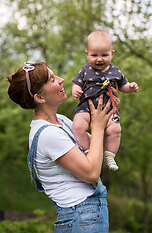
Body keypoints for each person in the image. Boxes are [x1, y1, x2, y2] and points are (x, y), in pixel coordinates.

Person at [6, 61, 120, 233]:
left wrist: (108, 112)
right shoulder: (48, 135)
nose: (61, 80)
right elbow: (91, 172)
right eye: (52, 79)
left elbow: (99, 150)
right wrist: (96, 127)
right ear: (40, 97)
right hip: (80, 217)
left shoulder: (63, 121)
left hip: (88, 215)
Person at [72, 30, 139, 171]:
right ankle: (87, 150)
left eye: (104, 55)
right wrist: (75, 90)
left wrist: (130, 87)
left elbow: (122, 86)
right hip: (86, 106)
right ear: (87, 54)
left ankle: (109, 155)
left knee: (115, 129)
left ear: (112, 54)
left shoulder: (115, 71)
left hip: (108, 108)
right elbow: (77, 83)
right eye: (94, 55)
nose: (99, 59)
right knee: (78, 126)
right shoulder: (85, 70)